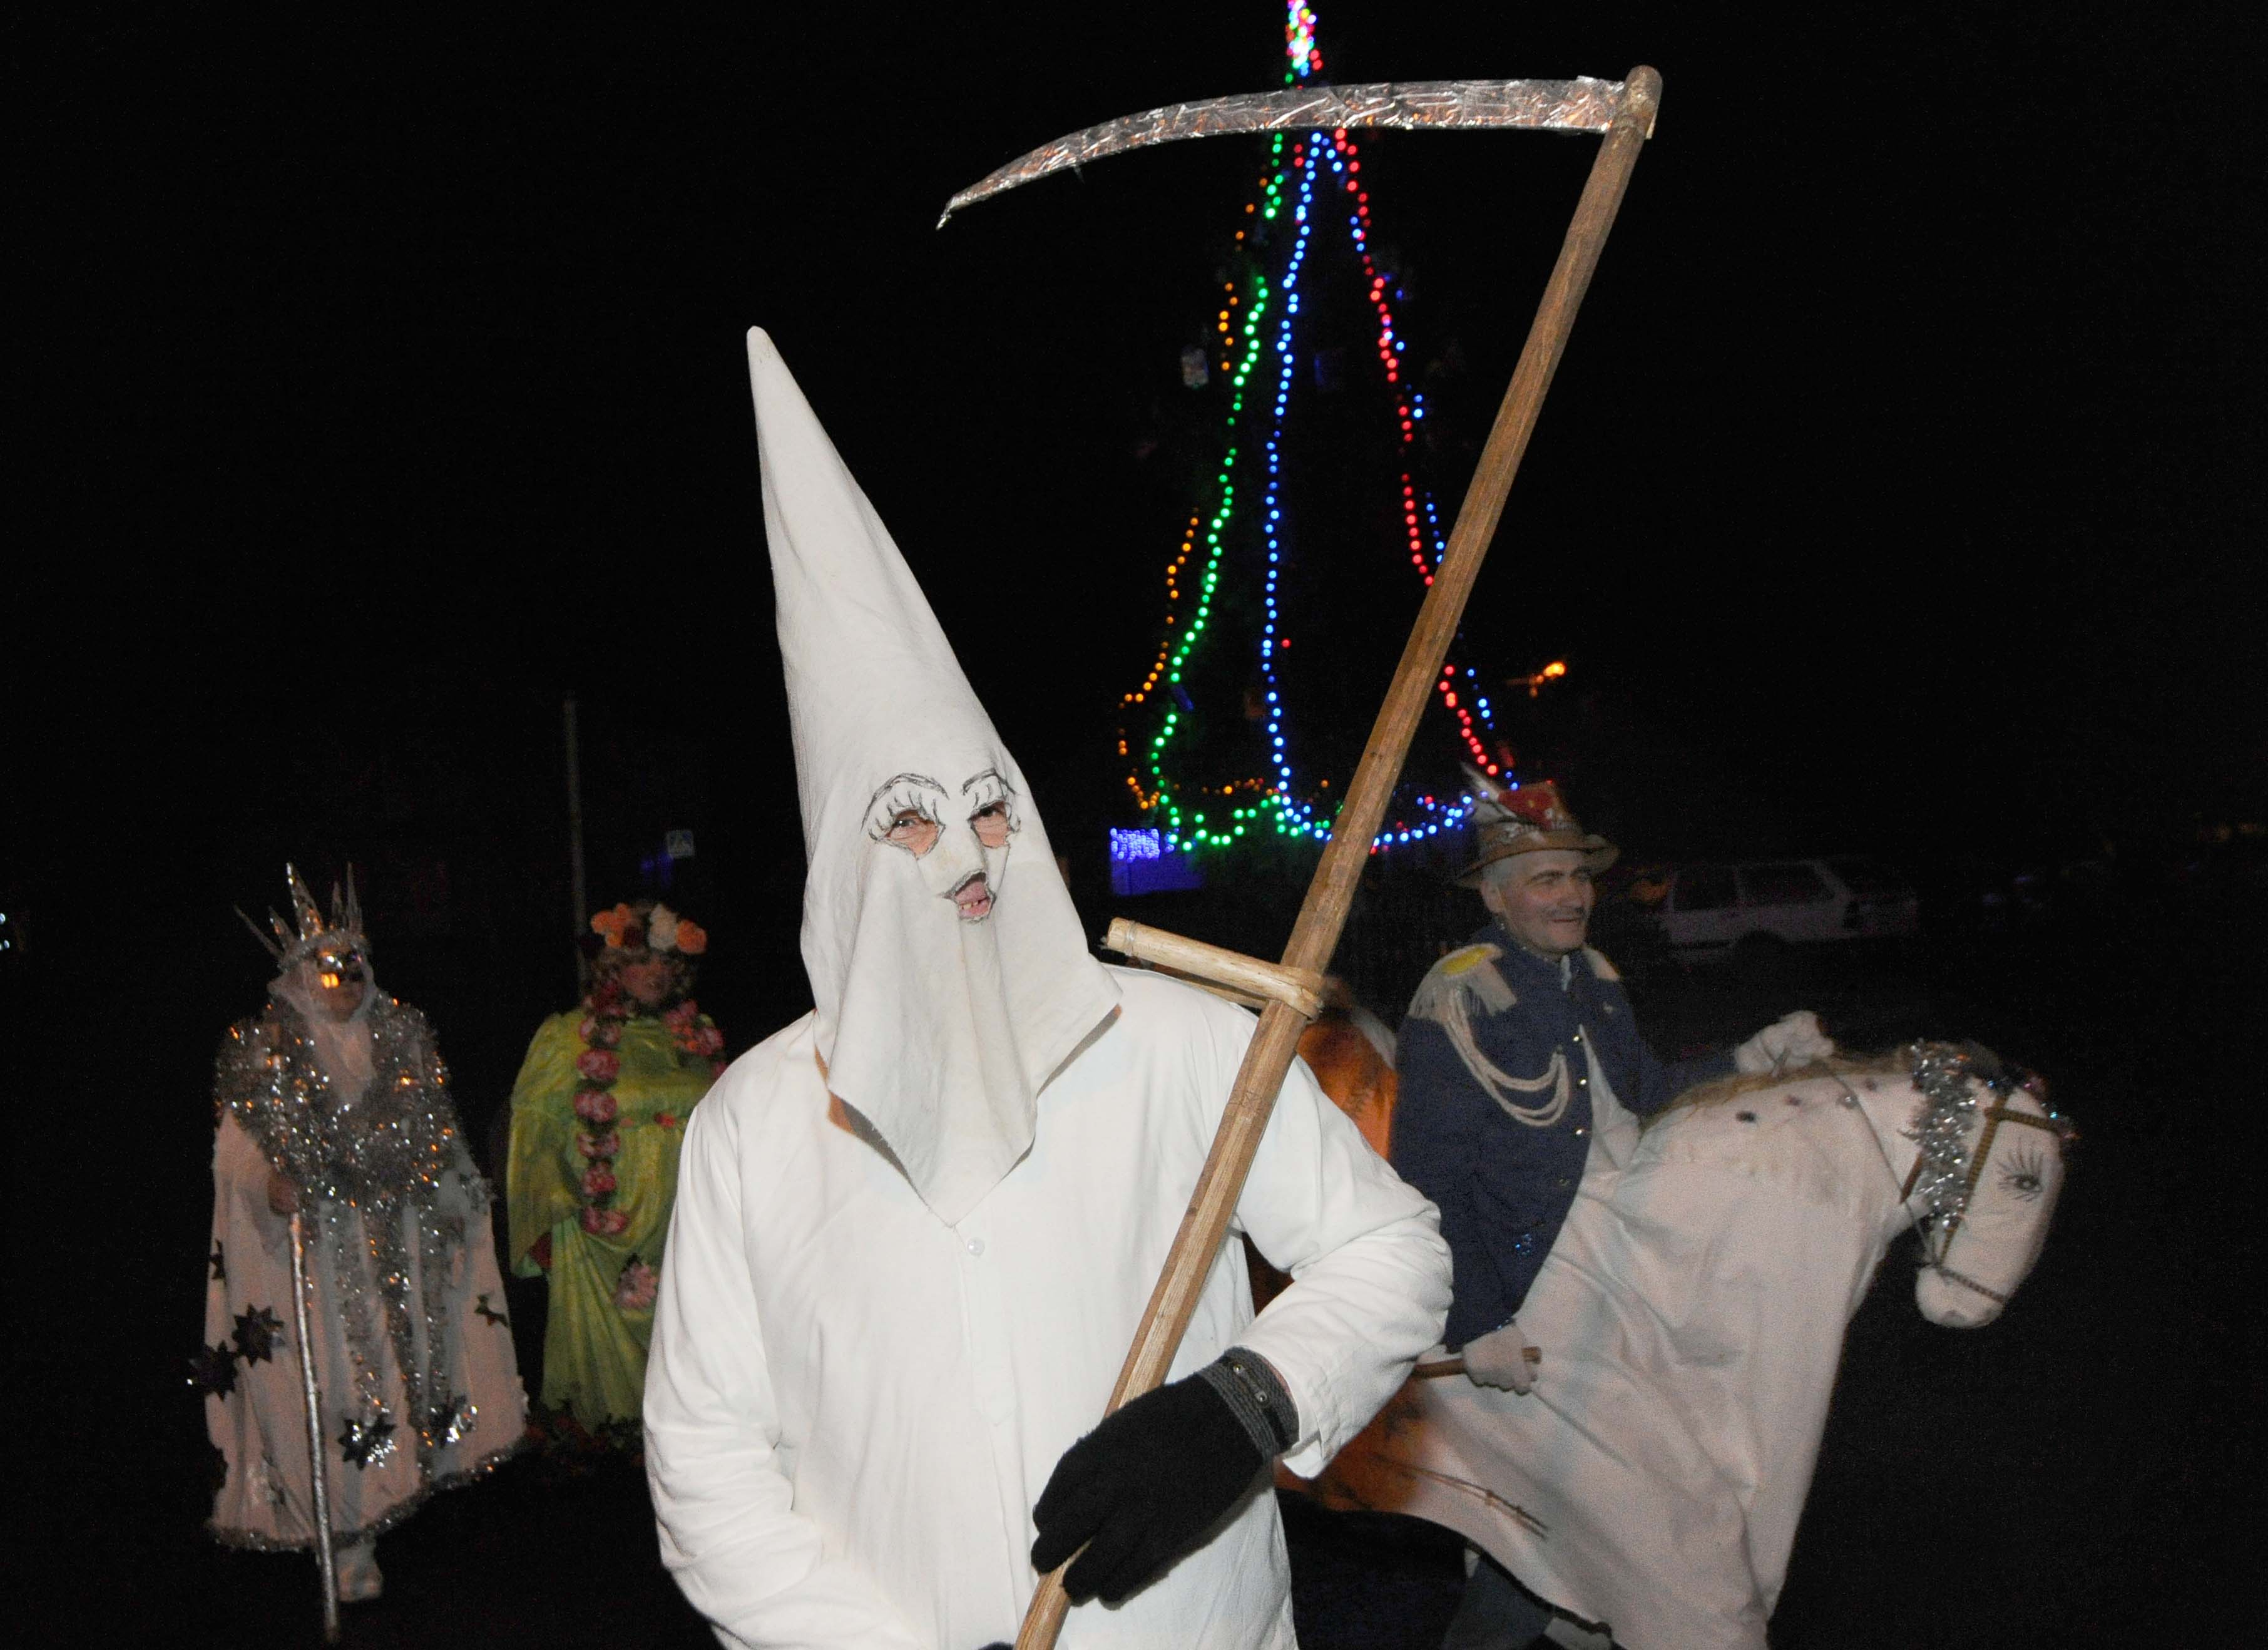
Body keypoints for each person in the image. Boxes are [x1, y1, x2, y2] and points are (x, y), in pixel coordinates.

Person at [641, 329, 1452, 1648]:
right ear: (841, 869)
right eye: (908, 822)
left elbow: (1393, 1248)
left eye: (989, 806)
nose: (966, 853)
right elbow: (705, 1461)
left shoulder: (1190, 1045)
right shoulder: (753, 1122)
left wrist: (1251, 1399)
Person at [1391, 774, 1832, 1649]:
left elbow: (1648, 1093)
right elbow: (1429, 1174)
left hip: (1631, 1262)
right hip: (1542, 1283)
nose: (1570, 895)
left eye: (1577, 877)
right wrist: (1478, 1319)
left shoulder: (1591, 974)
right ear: (1494, 895)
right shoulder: (1461, 993)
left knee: (1606, 1507)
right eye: (1546, 879)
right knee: (1569, 1513)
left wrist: (1755, 1057)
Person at [198, 867, 524, 1601]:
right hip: (313, 1255)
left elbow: (437, 1133)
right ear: (298, 974)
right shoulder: (266, 1049)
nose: (342, 981)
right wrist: (270, 1183)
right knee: (333, 1388)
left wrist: (459, 1194)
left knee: (401, 1380)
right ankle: (344, 1536)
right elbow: (238, 1149)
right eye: (326, 967)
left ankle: (385, 1508)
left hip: (398, 1240)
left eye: (353, 967)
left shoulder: (401, 1036)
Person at [506, 901, 723, 1442]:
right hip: (605, 1222)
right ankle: (610, 1452)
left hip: (688, 1215)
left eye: (666, 963)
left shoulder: (695, 1036)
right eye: (642, 961)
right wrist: (549, 1211)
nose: (657, 974)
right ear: (612, 968)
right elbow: (535, 1131)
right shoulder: (568, 1036)